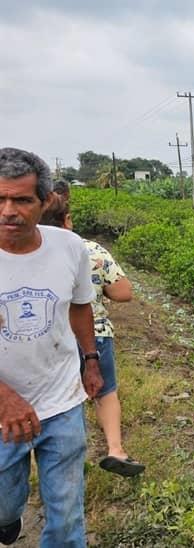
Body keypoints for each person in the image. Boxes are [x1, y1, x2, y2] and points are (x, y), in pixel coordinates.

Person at [0, 147, 103, 546]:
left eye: (22, 199)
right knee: (5, 508)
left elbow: (80, 307)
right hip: (2, 409)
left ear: (44, 202)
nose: (9, 210)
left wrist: (90, 360)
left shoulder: (70, 247)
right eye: (0, 199)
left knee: (66, 515)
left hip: (61, 401)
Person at [40, 193, 145, 478]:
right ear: (67, 220)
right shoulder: (91, 251)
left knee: (59, 399)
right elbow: (124, 293)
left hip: (47, 340)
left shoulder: (27, 252)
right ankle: (115, 449)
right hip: (95, 333)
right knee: (106, 392)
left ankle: (65, 459)